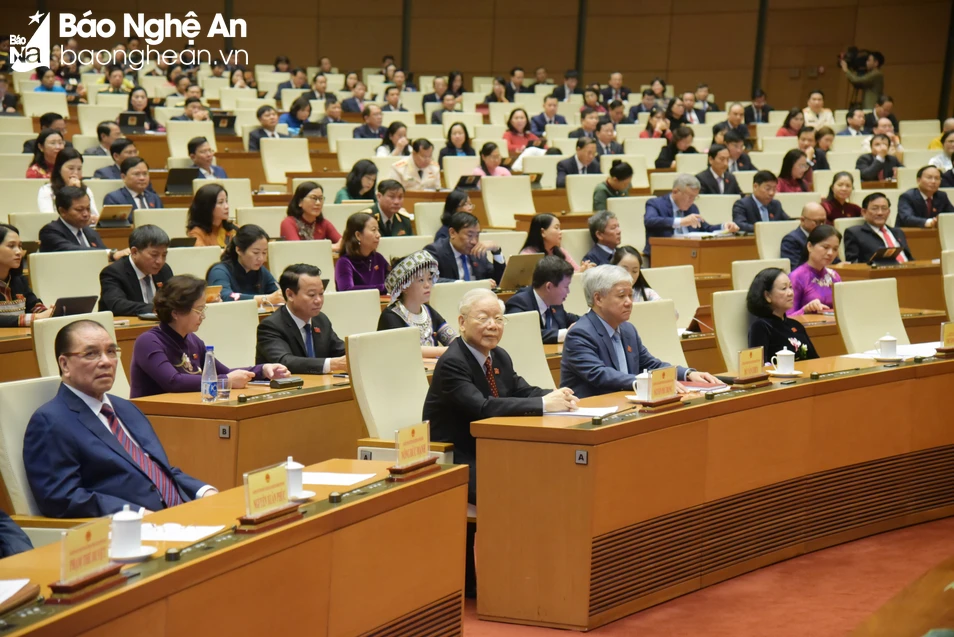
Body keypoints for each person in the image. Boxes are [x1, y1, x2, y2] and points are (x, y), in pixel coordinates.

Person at [424, 288, 575, 595]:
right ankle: (505, 582)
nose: (493, 325)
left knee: (550, 479)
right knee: (513, 490)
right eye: (484, 318)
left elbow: (521, 391)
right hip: (455, 455)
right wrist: (546, 406)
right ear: (462, 323)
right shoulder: (453, 362)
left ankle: (535, 574)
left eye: (498, 318)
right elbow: (481, 407)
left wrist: (556, 395)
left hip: (493, 450)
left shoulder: (499, 357)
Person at [24, 319, 218, 517]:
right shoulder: (50, 421)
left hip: (179, 515)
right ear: (64, 364)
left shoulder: (126, 408)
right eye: (91, 354)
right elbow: (61, 498)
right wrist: (135, 514)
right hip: (129, 531)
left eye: (110, 352)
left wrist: (203, 491)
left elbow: (157, 469)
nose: (106, 362)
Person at [560, 265, 719, 399]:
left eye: (630, 295)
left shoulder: (628, 330)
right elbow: (600, 375)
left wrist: (687, 374)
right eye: (621, 296)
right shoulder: (580, 333)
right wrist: (647, 382)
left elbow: (650, 364)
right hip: (590, 413)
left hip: (625, 405)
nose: (629, 302)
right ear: (598, 299)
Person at [130, 276, 287, 398]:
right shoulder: (149, 341)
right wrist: (224, 381)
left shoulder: (192, 340)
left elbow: (225, 371)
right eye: (199, 310)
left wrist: (263, 370)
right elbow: (173, 382)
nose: (203, 316)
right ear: (176, 312)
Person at [256, 264, 347, 374]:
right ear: (290, 295)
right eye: (311, 294)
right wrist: (332, 364)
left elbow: (340, 350)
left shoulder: (320, 320)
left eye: (321, 294)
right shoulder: (270, 326)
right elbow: (284, 361)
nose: (318, 300)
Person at [644, 174, 739, 262]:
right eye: (689, 196)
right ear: (675, 191)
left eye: (695, 197)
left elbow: (706, 228)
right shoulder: (655, 204)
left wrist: (724, 226)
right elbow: (650, 221)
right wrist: (681, 221)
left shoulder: (692, 208)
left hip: (689, 254)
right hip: (662, 254)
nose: (692, 201)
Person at [379, 251, 457, 357]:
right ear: (404, 287)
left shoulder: (427, 310)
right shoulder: (390, 316)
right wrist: (445, 351)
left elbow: (452, 338)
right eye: (421, 280)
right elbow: (408, 350)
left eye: (429, 279)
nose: (427, 285)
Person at [99, 225, 173, 316]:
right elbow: (117, 305)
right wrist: (155, 309)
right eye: (154, 255)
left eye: (164, 255)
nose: (160, 261)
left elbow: (173, 300)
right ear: (134, 252)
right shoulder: (113, 272)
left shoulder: (164, 270)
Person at [746, 268, 818, 363]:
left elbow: (815, 360)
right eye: (784, 288)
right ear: (767, 296)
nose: (790, 293)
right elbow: (759, 366)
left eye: (791, 287)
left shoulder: (796, 325)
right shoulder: (761, 327)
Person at [39, 187, 129, 261]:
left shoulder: (91, 232)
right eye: (79, 210)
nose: (86, 214)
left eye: (88, 208)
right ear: (62, 211)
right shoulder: (50, 232)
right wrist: (111, 254)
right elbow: (72, 251)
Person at [504, 256, 578, 344]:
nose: (568, 291)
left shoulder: (555, 304)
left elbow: (572, 320)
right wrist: (564, 334)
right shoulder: (519, 303)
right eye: (566, 286)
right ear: (549, 287)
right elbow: (524, 334)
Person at [208, 225, 283, 304]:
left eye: (264, 252)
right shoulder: (220, 271)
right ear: (239, 250)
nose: (261, 258)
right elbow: (225, 296)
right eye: (256, 252)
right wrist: (266, 299)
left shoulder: (261, 271)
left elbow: (277, 293)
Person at [425, 212, 506, 284]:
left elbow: (499, 280)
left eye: (477, 235)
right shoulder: (435, 251)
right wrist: (463, 285)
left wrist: (496, 251)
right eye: (469, 235)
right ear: (452, 233)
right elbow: (429, 279)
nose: (474, 241)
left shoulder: (477, 251)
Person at [0, 223, 51, 326]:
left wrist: (49, 313)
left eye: (20, 246)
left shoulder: (19, 280)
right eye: (11, 246)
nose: (19, 252)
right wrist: (34, 318)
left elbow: (33, 305)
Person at [844, 192, 912, 263]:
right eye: (874, 208)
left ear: (888, 212)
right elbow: (853, 264)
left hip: (908, 271)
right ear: (864, 212)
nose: (880, 213)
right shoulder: (855, 233)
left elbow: (909, 258)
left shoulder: (898, 232)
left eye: (884, 208)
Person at [790, 225, 843, 316]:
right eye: (825, 247)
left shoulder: (834, 276)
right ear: (810, 246)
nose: (830, 253)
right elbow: (786, 317)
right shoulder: (796, 277)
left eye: (835, 249)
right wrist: (805, 310)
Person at [36, 148, 101, 223]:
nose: (75, 172)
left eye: (79, 169)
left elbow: (95, 216)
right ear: (59, 169)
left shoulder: (86, 190)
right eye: (71, 168)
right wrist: (70, 191)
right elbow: (48, 219)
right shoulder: (47, 190)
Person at [334, 212, 390, 293]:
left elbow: (394, 281)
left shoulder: (378, 258)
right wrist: (383, 288)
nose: (378, 235)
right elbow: (346, 290)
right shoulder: (344, 262)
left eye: (378, 230)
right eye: (373, 230)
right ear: (358, 235)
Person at [280, 182, 343, 250]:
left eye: (321, 198)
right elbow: (297, 248)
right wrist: (329, 247)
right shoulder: (288, 223)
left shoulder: (323, 223)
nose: (318, 203)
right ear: (300, 202)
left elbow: (342, 243)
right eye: (314, 198)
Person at [780, 202, 828, 270]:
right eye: (817, 222)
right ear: (803, 220)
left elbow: (836, 262)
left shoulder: (826, 236)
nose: (821, 225)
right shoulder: (791, 240)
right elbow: (795, 268)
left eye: (823, 221)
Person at [187, 183, 236, 248]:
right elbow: (205, 255)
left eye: (226, 201)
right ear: (207, 206)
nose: (227, 206)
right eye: (220, 202)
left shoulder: (234, 229)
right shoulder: (197, 233)